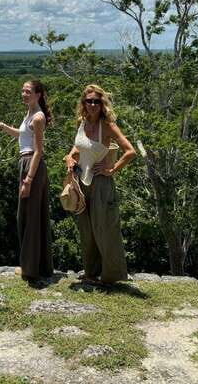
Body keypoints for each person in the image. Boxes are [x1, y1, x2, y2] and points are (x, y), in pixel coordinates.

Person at [64, 84, 136, 285]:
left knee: (104, 229)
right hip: (81, 182)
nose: (93, 104)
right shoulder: (82, 122)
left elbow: (130, 151)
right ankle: (91, 273)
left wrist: (112, 169)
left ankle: (111, 275)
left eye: (97, 101)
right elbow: (76, 149)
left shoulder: (107, 126)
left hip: (101, 184)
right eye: (89, 101)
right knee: (86, 230)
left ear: (102, 103)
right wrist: (69, 158)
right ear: (83, 104)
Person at [0, 80, 54, 282]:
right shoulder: (30, 113)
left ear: (38, 94)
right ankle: (35, 265)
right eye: (22, 90)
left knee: (30, 217)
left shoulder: (38, 117)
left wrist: (29, 179)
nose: (24, 94)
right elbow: (22, 136)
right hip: (26, 163)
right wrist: (3, 126)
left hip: (32, 165)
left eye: (28, 91)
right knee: (28, 216)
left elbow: (39, 151)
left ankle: (31, 269)